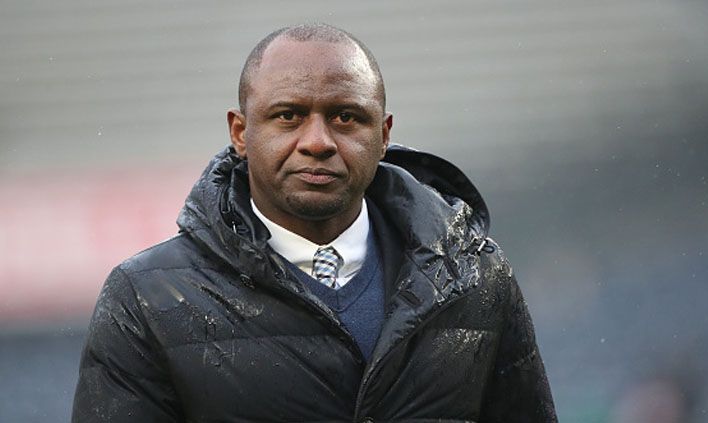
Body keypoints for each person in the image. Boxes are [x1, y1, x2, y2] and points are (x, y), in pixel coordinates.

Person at [72, 23, 557, 422]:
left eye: (346, 117)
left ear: (384, 134)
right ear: (241, 132)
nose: (318, 141)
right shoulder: (146, 299)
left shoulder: (476, 279)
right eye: (288, 116)